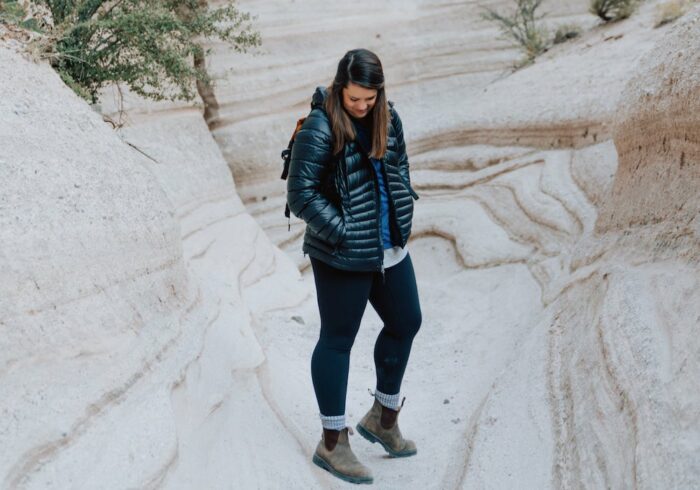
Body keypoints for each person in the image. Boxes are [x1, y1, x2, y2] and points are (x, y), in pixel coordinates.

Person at [286, 48, 422, 485]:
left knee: (406, 321)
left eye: (370, 98)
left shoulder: (388, 117)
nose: (363, 106)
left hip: (389, 245)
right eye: (355, 99)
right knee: (338, 340)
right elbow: (301, 195)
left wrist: (401, 213)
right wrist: (343, 231)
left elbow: (398, 166)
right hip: (342, 252)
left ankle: (383, 418)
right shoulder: (320, 126)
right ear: (340, 87)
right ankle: (331, 443)